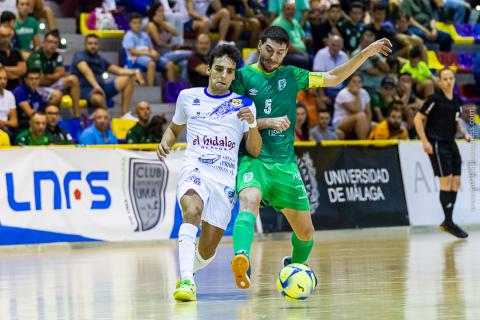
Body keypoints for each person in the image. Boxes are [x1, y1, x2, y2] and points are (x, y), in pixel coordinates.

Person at [229, 26, 391, 289]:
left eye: (280, 52)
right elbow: (229, 117)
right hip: (253, 157)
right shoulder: (242, 77)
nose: (274, 57)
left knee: (306, 233)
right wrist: (265, 122)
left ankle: (293, 268)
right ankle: (241, 258)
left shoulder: (292, 75)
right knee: (249, 200)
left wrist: (364, 54)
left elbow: (332, 78)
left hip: (285, 163)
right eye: (269, 50)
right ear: (259, 46)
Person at [156, 45, 261, 301]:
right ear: (208, 69)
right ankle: (188, 283)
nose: (223, 75)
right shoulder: (188, 97)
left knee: (206, 251)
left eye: (229, 71)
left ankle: (188, 270)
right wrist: (166, 141)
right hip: (195, 168)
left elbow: (255, 151)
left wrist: (253, 124)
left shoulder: (244, 105)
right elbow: (174, 128)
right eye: (219, 69)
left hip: (224, 178)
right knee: (192, 210)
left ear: (234, 75)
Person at [413, 68, 472, 238]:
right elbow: (418, 118)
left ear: (454, 80)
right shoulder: (434, 99)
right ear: (439, 81)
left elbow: (456, 121)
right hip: (437, 143)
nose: (448, 81)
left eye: (451, 78)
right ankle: (448, 221)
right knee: (445, 182)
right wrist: (424, 141)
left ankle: (448, 221)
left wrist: (465, 133)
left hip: (451, 142)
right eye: (445, 79)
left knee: (456, 183)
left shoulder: (457, 100)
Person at [71, 34, 145, 115]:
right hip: (86, 90)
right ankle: (106, 118)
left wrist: (135, 72)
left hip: (102, 88)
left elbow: (118, 71)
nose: (93, 46)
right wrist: (96, 86)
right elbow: (87, 71)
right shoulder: (79, 55)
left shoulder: (99, 58)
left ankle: (125, 114)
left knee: (127, 79)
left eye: (95, 44)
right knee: (99, 98)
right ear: (85, 45)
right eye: (90, 43)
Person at [27, 31, 81, 117]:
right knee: (57, 94)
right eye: (50, 42)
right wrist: (55, 76)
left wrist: (48, 76)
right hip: (38, 87)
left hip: (51, 84)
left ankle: (77, 116)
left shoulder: (57, 55)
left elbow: (61, 73)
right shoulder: (36, 56)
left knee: (73, 79)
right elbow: (39, 80)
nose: (53, 45)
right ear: (44, 42)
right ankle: (47, 119)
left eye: (55, 43)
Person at [145, 3, 192, 82]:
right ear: (153, 12)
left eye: (163, 10)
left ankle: (183, 88)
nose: (162, 12)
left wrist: (162, 23)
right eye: (159, 11)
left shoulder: (164, 24)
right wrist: (170, 46)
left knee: (185, 63)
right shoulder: (151, 25)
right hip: (159, 55)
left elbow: (175, 33)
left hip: (169, 53)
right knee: (190, 54)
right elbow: (158, 42)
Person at [271, 0, 310, 69]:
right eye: (288, 9)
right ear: (283, 10)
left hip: (298, 52)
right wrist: (300, 52)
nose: (290, 11)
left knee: (312, 58)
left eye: (293, 9)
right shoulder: (278, 23)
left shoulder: (294, 21)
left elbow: (303, 36)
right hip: (284, 54)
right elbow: (285, 45)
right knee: (304, 60)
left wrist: (302, 46)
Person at [312, 35, 349, 107]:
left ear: (342, 46)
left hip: (341, 88)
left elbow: (349, 75)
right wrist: (322, 96)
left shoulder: (344, 56)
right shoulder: (321, 54)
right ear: (328, 43)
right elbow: (317, 76)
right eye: (333, 45)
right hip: (327, 89)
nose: (335, 48)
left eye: (338, 46)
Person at [333, 73, 371, 139]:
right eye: (354, 81)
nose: (357, 84)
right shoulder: (343, 94)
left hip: (360, 121)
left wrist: (367, 125)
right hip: (341, 122)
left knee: (374, 126)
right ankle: (363, 145)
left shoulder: (364, 92)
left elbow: (368, 113)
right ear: (348, 83)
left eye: (359, 82)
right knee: (361, 116)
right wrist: (357, 95)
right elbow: (355, 110)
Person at [0, 24, 26, 91]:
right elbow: (3, 74)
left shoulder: (16, 52)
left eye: (8, 36)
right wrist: (16, 71)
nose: (5, 39)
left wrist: (4, 68)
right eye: (2, 36)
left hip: (17, 88)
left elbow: (23, 70)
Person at [0, 66, 18, 136]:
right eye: (0, 78)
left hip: (5, 129)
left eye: (5, 79)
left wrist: (3, 123)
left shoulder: (9, 95)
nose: (3, 81)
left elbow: (14, 122)